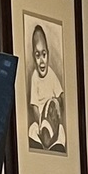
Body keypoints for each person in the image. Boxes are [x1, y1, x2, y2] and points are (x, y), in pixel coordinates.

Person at [26, 22, 66, 153]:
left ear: (48, 54)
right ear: (33, 56)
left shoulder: (51, 74)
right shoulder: (34, 78)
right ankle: (42, 140)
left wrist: (56, 105)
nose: (42, 60)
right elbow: (34, 106)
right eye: (37, 56)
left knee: (61, 132)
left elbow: (61, 96)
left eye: (44, 54)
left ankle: (55, 143)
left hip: (52, 117)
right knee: (32, 130)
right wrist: (39, 121)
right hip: (41, 121)